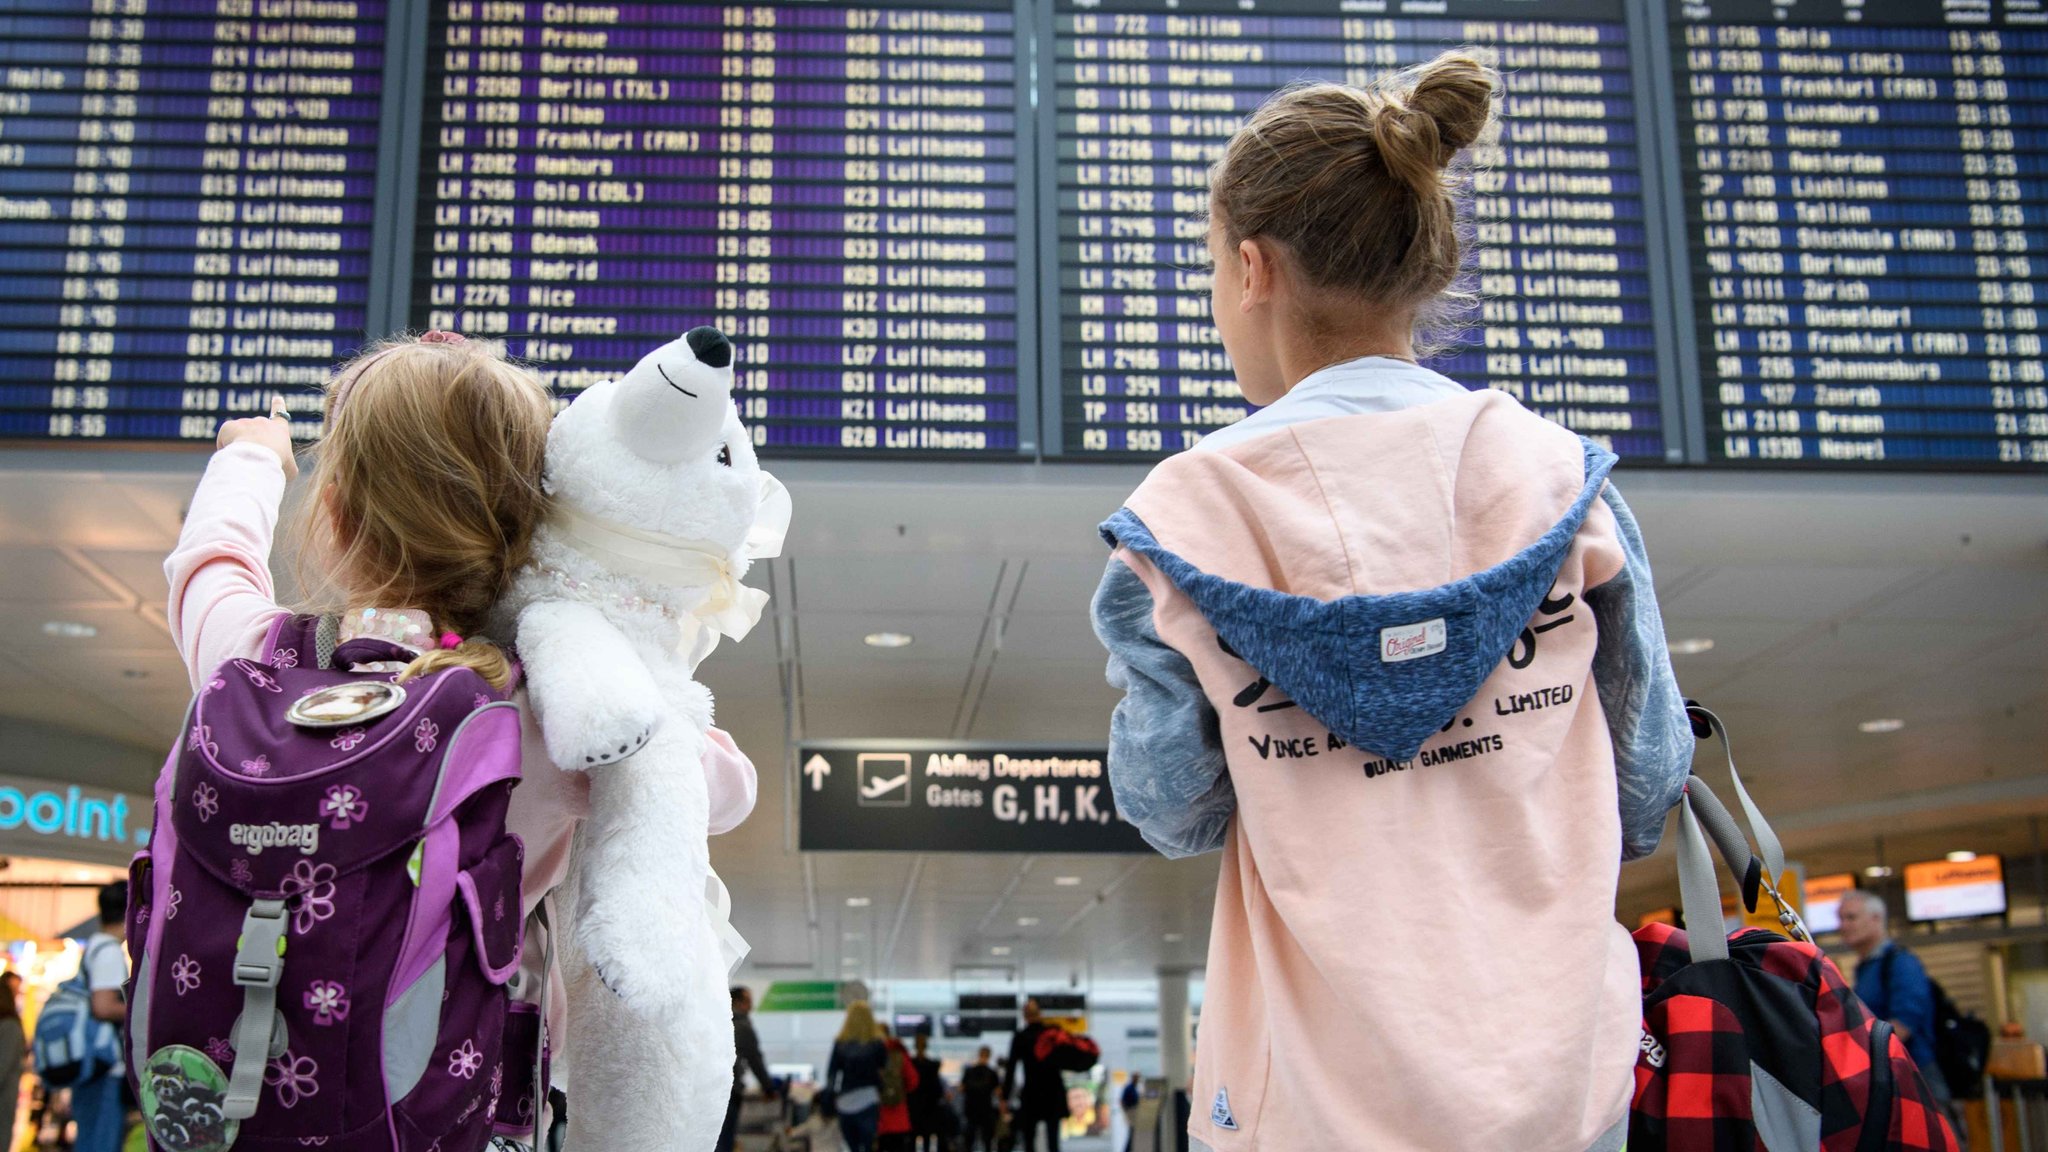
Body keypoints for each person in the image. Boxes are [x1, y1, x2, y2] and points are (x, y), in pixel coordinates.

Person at [1090, 52, 1692, 1152]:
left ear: (1254, 266)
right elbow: (1644, 787)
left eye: (1211, 267)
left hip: (1301, 1095)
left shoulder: (1179, 520)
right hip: (1565, 1076)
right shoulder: (1562, 482)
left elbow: (1171, 810)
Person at [165, 334, 763, 1147]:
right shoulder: (535, 715)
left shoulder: (258, 658)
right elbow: (718, 787)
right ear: (532, 525)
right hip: (451, 1113)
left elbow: (209, 567)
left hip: (244, 1110)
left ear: (334, 514)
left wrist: (253, 458)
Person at [1841, 890, 1950, 1102]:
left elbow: (1904, 1023)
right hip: (1890, 1075)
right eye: (1841, 918)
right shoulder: (1867, 967)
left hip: (1914, 1075)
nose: (1843, 925)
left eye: (1851, 917)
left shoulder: (1900, 962)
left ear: (1876, 919)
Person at [71, 881, 128, 1152]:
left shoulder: (95, 944)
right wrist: (143, 1013)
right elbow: (103, 1006)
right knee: (100, 1141)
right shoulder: (109, 951)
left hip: (91, 1063)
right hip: (103, 1065)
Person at [1003, 1000, 1069, 1152]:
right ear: (1040, 1014)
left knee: (1029, 1140)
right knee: (1053, 1140)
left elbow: (1011, 1068)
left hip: (1032, 1092)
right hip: (1053, 1091)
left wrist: (1006, 1097)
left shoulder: (1020, 1037)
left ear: (1024, 1016)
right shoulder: (1052, 1033)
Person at [719, 985, 779, 1152]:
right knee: (724, 1140)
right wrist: (769, 1088)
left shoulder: (717, 1022)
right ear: (738, 1003)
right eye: (748, 1002)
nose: (751, 1006)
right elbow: (755, 1060)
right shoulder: (742, 1026)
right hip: (729, 1092)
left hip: (711, 1089)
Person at [828, 1002, 892, 1152]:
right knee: (868, 1146)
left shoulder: (840, 1044)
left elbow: (832, 1074)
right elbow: (886, 1071)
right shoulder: (877, 1044)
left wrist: (829, 1101)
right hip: (869, 1099)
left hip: (845, 1102)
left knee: (852, 1147)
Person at [877, 1026, 920, 1152]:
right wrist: (901, 1090)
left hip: (878, 1117)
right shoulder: (899, 1054)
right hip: (898, 1115)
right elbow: (914, 1080)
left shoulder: (872, 1055)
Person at [959, 1046, 1002, 1152]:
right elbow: (998, 1092)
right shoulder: (992, 1073)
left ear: (979, 1055)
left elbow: (961, 1089)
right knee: (987, 1139)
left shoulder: (969, 1071)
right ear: (989, 1056)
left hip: (971, 1108)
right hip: (986, 1108)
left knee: (970, 1138)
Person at [908, 1033, 944, 1152]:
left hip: (913, 1106)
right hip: (929, 1107)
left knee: (912, 1139)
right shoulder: (933, 1066)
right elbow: (938, 1089)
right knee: (928, 1138)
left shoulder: (910, 1065)